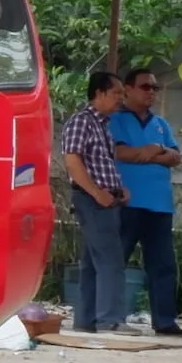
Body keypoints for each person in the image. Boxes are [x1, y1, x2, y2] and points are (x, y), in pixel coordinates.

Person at [109, 68, 182, 336]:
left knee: (163, 265)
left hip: (159, 205)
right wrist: (155, 152)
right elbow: (121, 152)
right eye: (145, 87)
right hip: (128, 202)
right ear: (128, 89)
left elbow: (175, 156)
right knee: (116, 261)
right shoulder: (116, 120)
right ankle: (111, 317)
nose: (151, 92)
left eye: (154, 88)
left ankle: (165, 321)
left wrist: (150, 151)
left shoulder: (161, 124)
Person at [61, 71, 130, 333]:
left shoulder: (102, 125)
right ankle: (110, 319)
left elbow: (101, 163)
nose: (120, 99)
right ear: (99, 94)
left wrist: (117, 188)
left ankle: (86, 320)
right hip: (93, 199)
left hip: (106, 198)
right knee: (111, 259)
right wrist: (95, 192)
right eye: (116, 93)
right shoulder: (82, 121)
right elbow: (73, 161)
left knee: (92, 263)